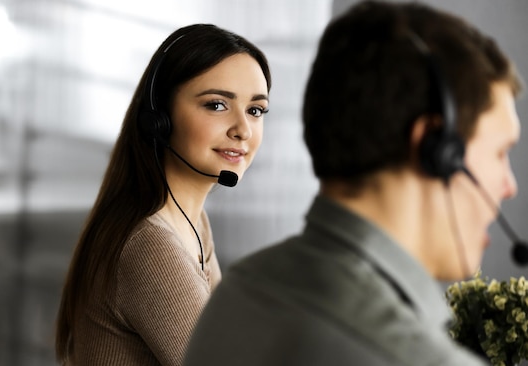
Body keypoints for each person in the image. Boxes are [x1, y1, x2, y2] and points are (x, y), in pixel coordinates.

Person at [184, 2, 522, 365]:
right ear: (435, 150)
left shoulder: (239, 291)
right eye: (500, 152)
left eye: (256, 110)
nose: (509, 186)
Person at [54, 23, 271, 366]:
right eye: (216, 105)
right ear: (159, 119)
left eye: (255, 110)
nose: (242, 129)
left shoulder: (192, 223)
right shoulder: (149, 245)